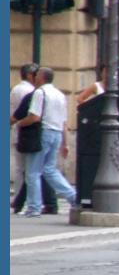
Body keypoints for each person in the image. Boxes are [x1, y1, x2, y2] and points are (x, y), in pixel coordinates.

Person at [14, 67, 77, 217]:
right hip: (56, 134)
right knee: (49, 170)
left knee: (32, 173)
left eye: (36, 76)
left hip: (43, 133)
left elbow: (35, 117)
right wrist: (65, 143)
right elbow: (64, 122)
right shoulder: (60, 95)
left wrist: (19, 123)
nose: (35, 78)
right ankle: (73, 197)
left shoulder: (40, 93)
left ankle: (34, 208)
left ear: (41, 77)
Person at [10, 63, 57, 215]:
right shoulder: (32, 92)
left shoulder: (24, 90)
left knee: (30, 171)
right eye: (35, 74)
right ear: (30, 75)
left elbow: (20, 115)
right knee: (34, 171)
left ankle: (24, 202)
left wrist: (17, 123)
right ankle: (39, 203)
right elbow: (28, 114)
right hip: (32, 135)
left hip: (30, 135)